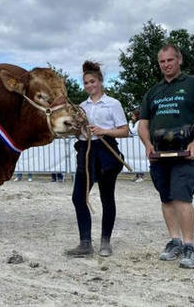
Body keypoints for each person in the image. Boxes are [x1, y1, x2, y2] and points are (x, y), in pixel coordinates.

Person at [139, 43, 194, 269]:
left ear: (179, 59)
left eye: (170, 60)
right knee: (166, 198)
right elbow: (143, 124)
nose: (166, 65)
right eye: (162, 62)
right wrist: (148, 144)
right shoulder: (153, 91)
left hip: (184, 152)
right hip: (159, 155)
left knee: (182, 197)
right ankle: (175, 241)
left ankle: (190, 246)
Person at [65, 61, 128, 257]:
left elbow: (124, 131)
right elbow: (78, 133)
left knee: (106, 198)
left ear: (100, 81)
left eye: (92, 81)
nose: (89, 85)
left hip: (106, 151)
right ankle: (85, 243)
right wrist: (76, 129)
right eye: (86, 83)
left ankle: (105, 242)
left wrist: (104, 131)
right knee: (78, 197)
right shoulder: (81, 107)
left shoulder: (113, 104)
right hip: (86, 151)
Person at [128, 109, 144, 182]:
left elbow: (133, 131)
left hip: (139, 142)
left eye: (133, 116)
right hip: (137, 142)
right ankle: (138, 174)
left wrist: (130, 124)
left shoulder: (138, 122)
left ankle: (141, 175)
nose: (132, 117)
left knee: (140, 157)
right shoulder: (138, 122)